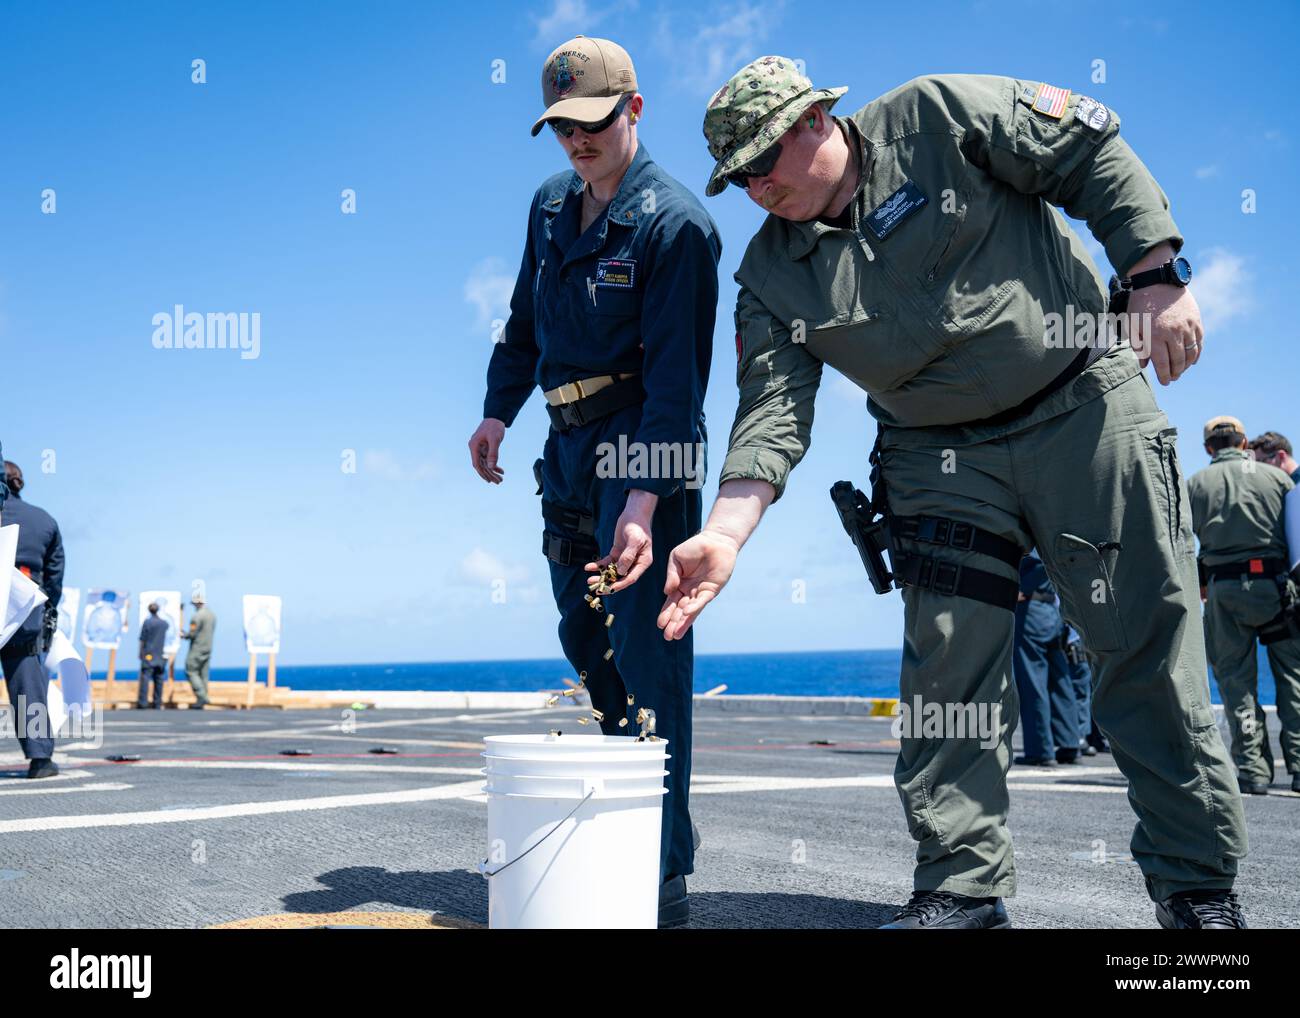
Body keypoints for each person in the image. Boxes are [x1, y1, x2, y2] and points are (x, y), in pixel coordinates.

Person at [644, 58, 1246, 928]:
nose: (756, 187)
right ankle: (960, 889)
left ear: (817, 120)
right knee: (949, 668)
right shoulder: (770, 279)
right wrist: (727, 535)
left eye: (763, 160)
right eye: (739, 178)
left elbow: (1089, 150)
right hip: (935, 454)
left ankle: (1196, 888)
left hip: (1081, 400)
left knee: (1142, 638)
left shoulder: (940, 116)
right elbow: (772, 411)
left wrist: (1154, 273)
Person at [468, 35, 720, 928]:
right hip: (565, 449)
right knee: (583, 633)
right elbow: (523, 323)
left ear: (635, 110)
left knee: (649, 653)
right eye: (561, 128)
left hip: (639, 447)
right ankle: (620, 812)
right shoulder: (547, 207)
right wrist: (499, 410)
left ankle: (661, 871)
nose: (576, 143)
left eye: (591, 124)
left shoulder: (675, 224)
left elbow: (677, 386)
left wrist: (646, 505)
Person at [1188, 416, 1300, 796]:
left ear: (1208, 449)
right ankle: (1299, 766)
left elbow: (1184, 543)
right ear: (1244, 442)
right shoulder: (1279, 480)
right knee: (1293, 679)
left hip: (1224, 590)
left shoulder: (1196, 485)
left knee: (1237, 684)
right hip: (1276, 590)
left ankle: (1253, 771)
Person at [1, 460, 65, 778]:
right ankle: (40, 758)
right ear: (19, 482)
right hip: (24, 609)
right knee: (27, 681)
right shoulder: (43, 520)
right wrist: (46, 606)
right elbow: (54, 577)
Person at [1011, 552, 1084, 766]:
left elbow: (1038, 563)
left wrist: (1021, 588)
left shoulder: (1032, 534)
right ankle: (1070, 743)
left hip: (1031, 612)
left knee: (1033, 682)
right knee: (1061, 681)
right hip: (1052, 612)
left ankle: (1040, 750)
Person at [181, 592, 215, 709]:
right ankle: (204, 696)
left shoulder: (197, 617)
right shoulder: (212, 615)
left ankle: (201, 696)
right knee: (203, 674)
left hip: (197, 647)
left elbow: (192, 633)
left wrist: (184, 635)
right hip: (208, 647)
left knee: (190, 670)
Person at [136, 602, 169, 709]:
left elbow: (142, 639)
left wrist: (141, 653)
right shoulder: (164, 623)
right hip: (160, 655)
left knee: (145, 678)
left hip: (149, 655)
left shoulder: (147, 622)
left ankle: (143, 702)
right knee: (159, 679)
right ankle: (157, 702)